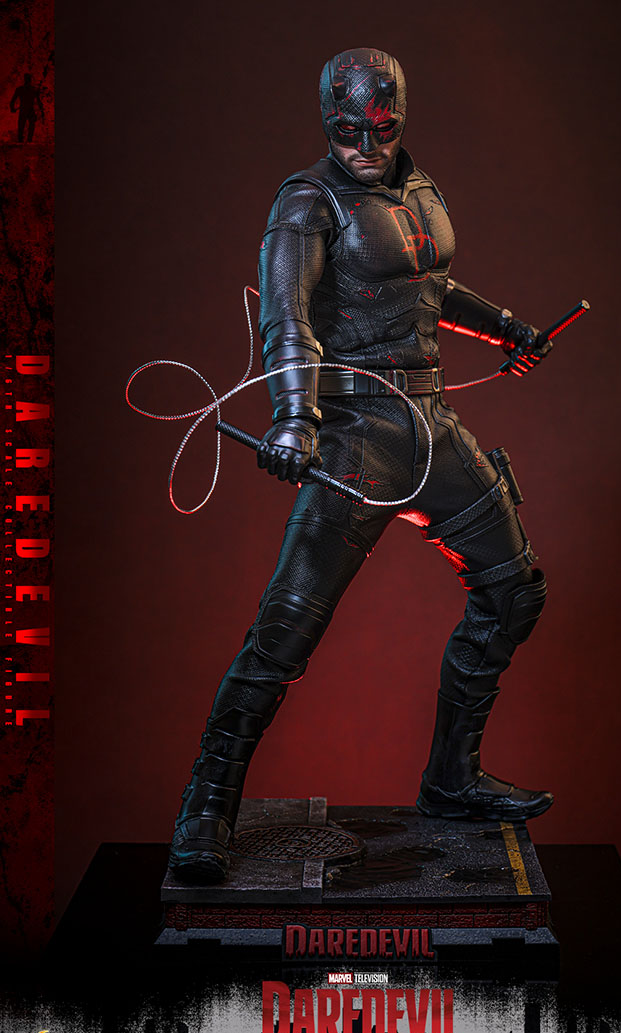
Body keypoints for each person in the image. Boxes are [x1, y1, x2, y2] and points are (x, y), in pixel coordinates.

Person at [169, 48, 554, 884]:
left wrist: (508, 328)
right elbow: (287, 319)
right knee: (284, 634)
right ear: (327, 120)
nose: (367, 145)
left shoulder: (420, 189)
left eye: (383, 127)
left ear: (401, 118)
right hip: (355, 439)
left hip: (432, 425)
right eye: (349, 130)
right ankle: (207, 803)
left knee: (513, 591)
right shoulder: (307, 202)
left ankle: (451, 779)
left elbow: (429, 285)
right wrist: (295, 417)